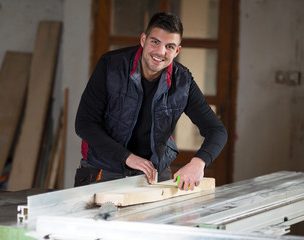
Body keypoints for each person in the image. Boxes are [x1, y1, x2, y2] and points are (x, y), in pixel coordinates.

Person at [74, 12, 227, 191]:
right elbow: (84, 124)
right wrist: (128, 157)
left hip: (154, 175)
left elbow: (216, 130)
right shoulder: (111, 66)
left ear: (177, 51)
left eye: (169, 46)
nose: (161, 52)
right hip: (104, 169)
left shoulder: (183, 81)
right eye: (155, 42)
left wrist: (199, 162)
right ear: (143, 40)